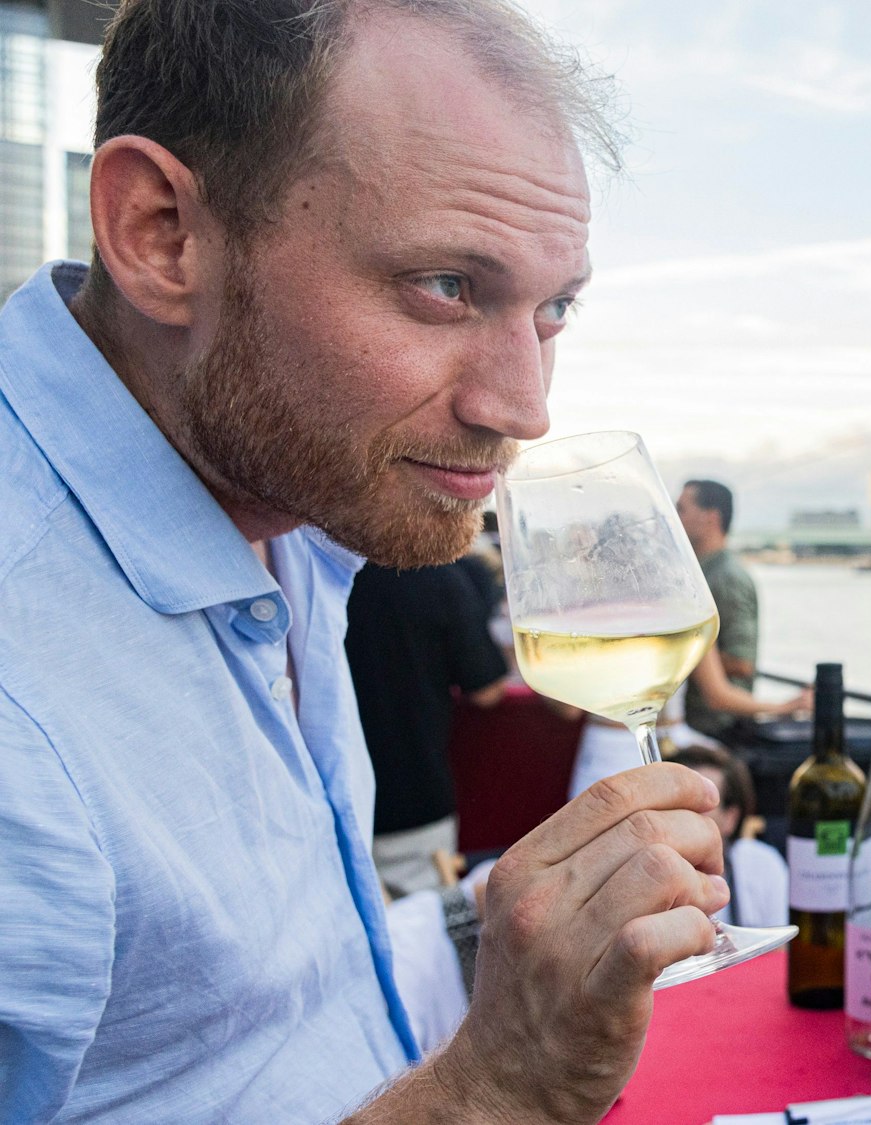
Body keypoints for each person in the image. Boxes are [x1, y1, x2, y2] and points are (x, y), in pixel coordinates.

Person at [0, 3, 731, 1121]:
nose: (525, 410)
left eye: (553, 309)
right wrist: (497, 1089)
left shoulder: (288, 514)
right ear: (160, 233)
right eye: (445, 285)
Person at [345, 557, 511, 897]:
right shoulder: (435, 575)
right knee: (423, 929)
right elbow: (487, 689)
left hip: (327, 803)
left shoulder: (307, 574)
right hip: (411, 796)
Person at [677, 478, 762, 741]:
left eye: (681, 509)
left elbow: (742, 663)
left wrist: (677, 649)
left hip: (718, 728)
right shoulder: (702, 571)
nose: (673, 515)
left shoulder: (728, 577)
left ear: (711, 518)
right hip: (694, 724)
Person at [672, 745, 788, 928]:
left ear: (731, 818)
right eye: (677, 802)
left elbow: (778, 951)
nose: (684, 814)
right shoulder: (643, 875)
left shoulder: (763, 866)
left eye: (699, 805)